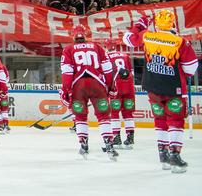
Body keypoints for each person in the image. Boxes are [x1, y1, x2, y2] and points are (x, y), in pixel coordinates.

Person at [123, 11, 199, 172]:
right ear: (172, 23)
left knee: (160, 120)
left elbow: (127, 39)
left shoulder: (147, 36)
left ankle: (162, 155)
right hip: (174, 88)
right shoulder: (180, 41)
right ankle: (174, 156)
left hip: (153, 88)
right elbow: (191, 67)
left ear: (156, 23)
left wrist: (140, 24)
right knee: (175, 121)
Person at [60, 24, 117, 161]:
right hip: (98, 85)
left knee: (80, 117)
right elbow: (108, 69)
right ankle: (109, 144)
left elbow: (67, 73)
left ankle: (83, 144)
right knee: (103, 116)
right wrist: (110, 86)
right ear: (86, 35)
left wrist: (66, 90)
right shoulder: (97, 47)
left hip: (78, 87)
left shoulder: (68, 49)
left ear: (73, 35)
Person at [104, 39, 136, 149]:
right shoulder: (125, 55)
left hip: (116, 87)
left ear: (107, 46)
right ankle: (130, 137)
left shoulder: (106, 57)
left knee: (114, 113)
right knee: (128, 113)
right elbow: (131, 72)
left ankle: (116, 137)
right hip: (129, 88)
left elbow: (106, 75)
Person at [0, 60, 11, 134]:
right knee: (4, 109)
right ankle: (6, 126)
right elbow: (7, 79)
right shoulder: (3, 66)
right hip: (4, 91)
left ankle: (0, 126)